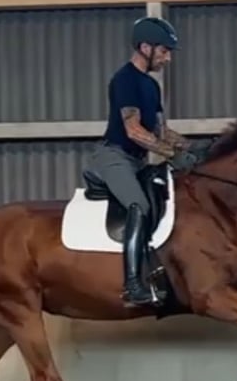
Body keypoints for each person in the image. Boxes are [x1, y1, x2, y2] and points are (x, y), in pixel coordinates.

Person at [87, 16, 207, 307]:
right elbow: (134, 130)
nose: (167, 58)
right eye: (164, 51)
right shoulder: (124, 80)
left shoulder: (151, 86)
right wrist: (172, 154)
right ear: (145, 47)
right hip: (113, 156)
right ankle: (132, 285)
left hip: (136, 161)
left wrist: (197, 148)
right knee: (138, 205)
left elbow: (161, 131)